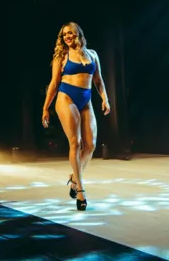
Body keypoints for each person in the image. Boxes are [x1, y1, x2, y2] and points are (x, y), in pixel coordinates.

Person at [42, 22, 111, 211]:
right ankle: (80, 189)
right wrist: (46, 107)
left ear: (78, 34)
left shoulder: (93, 54)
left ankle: (74, 177)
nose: (67, 37)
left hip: (86, 100)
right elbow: (54, 83)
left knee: (91, 145)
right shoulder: (62, 56)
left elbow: (98, 80)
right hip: (66, 97)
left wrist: (105, 99)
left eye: (70, 33)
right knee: (76, 142)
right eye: (64, 34)